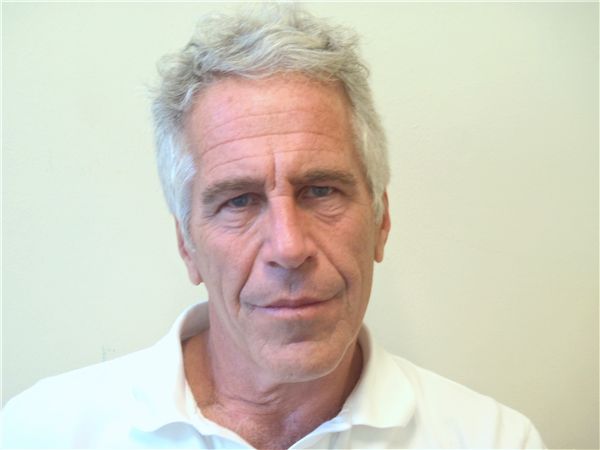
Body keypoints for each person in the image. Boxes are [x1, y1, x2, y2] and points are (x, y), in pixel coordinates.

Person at [2, 5, 545, 449]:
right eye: (238, 201)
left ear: (381, 221)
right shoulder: (43, 432)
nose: (289, 247)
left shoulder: (493, 439)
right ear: (187, 245)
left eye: (321, 190)